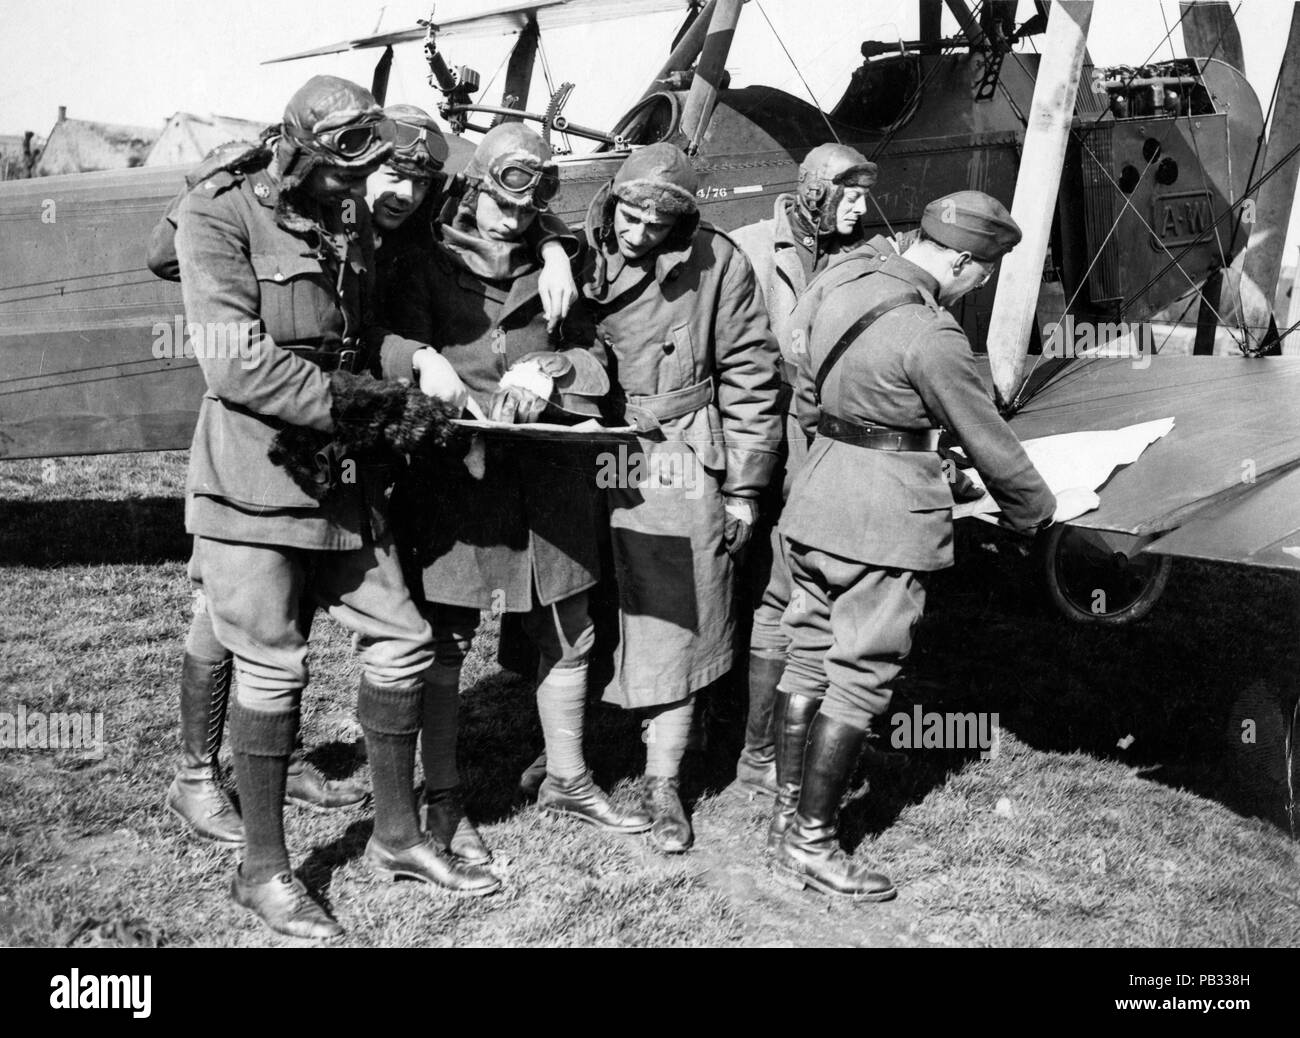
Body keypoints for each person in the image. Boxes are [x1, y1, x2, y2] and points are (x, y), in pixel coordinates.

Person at [174, 74, 501, 939]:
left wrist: (415, 357)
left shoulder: (347, 215)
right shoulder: (219, 214)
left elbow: (353, 336)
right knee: (272, 666)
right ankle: (264, 869)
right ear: (299, 154)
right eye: (342, 174)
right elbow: (235, 365)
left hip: (339, 478)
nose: (362, 194)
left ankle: (396, 836)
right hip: (251, 481)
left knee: (402, 641)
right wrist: (375, 404)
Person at [771, 190, 1097, 899]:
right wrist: (1032, 512)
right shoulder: (932, 334)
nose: (978, 286)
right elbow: (991, 440)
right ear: (958, 258)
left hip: (815, 497)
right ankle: (813, 842)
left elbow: (805, 379)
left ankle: (782, 817)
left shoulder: (843, 278)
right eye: (981, 273)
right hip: (881, 521)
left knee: (807, 654)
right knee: (860, 675)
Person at [386, 122, 652, 851]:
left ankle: (568, 780)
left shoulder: (558, 261)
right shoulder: (426, 263)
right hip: (460, 485)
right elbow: (382, 341)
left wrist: (553, 371)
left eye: (533, 208)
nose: (516, 219)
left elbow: (599, 356)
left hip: (551, 480)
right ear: (473, 190)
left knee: (570, 628)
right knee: (444, 642)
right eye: (504, 204)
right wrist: (418, 359)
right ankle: (444, 801)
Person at [580, 142, 782, 853]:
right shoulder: (573, 251)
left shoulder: (718, 262)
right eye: (628, 216)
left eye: (655, 225)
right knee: (577, 602)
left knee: (672, 611)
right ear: (611, 200)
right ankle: (566, 758)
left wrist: (745, 489)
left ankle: (666, 781)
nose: (637, 235)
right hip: (582, 446)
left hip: (674, 449)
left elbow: (751, 374)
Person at [729, 143, 882, 797]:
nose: (861, 207)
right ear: (816, 192)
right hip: (764, 435)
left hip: (832, 443)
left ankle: (782, 742)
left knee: (802, 590)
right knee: (768, 590)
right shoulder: (750, 247)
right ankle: (758, 751)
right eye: (848, 195)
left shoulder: (871, 253)